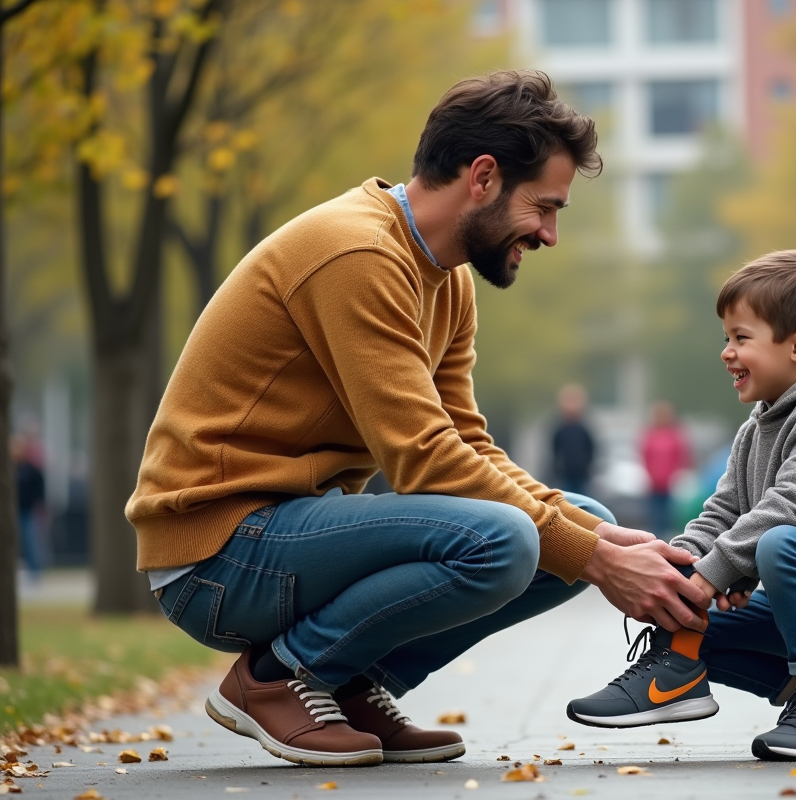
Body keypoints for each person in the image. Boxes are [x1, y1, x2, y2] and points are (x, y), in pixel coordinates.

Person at [127, 71, 709, 769]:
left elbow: (466, 443)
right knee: (509, 540)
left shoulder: (448, 277)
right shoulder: (357, 254)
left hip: (285, 533)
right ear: (483, 177)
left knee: (580, 519)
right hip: (217, 555)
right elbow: (423, 459)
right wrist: (597, 559)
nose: (550, 235)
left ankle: (343, 685)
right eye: (544, 207)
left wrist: (601, 540)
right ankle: (276, 679)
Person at [566, 246, 796, 762]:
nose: (727, 352)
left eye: (741, 338)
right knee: (690, 615)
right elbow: (722, 513)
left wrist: (715, 573)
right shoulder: (757, 427)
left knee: (780, 541)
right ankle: (791, 695)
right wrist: (680, 572)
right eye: (726, 338)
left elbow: (792, 509)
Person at [640, 401, 690, 540]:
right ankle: (654, 539)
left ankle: (668, 539)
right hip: (654, 483)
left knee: (669, 515)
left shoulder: (675, 434)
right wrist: (650, 474)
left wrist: (676, 475)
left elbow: (681, 456)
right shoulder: (650, 433)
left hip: (670, 483)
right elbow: (645, 456)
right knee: (655, 515)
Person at [550, 383, 595, 496]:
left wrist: (587, 467)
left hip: (582, 475)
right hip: (564, 475)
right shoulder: (559, 429)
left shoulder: (584, 429)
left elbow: (591, 450)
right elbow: (555, 451)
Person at [13, 434, 47, 578]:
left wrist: (40, 505)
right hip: (12, 513)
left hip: (28, 511)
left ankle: (35, 572)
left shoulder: (31, 470)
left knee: (31, 542)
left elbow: (40, 490)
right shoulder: (11, 470)